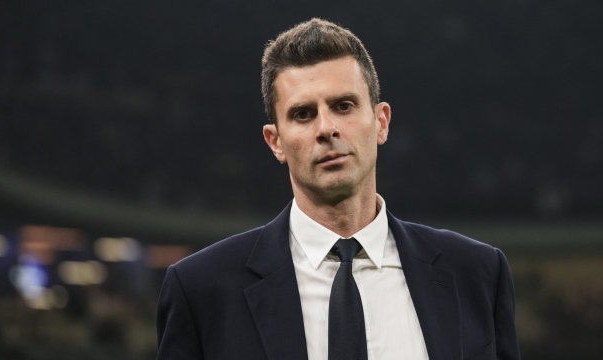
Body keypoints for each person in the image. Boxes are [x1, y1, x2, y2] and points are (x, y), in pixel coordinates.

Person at [156, 18, 520, 360]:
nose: (326, 128)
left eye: (343, 106)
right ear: (275, 142)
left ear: (381, 122)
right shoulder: (201, 291)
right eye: (303, 114)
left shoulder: (477, 273)